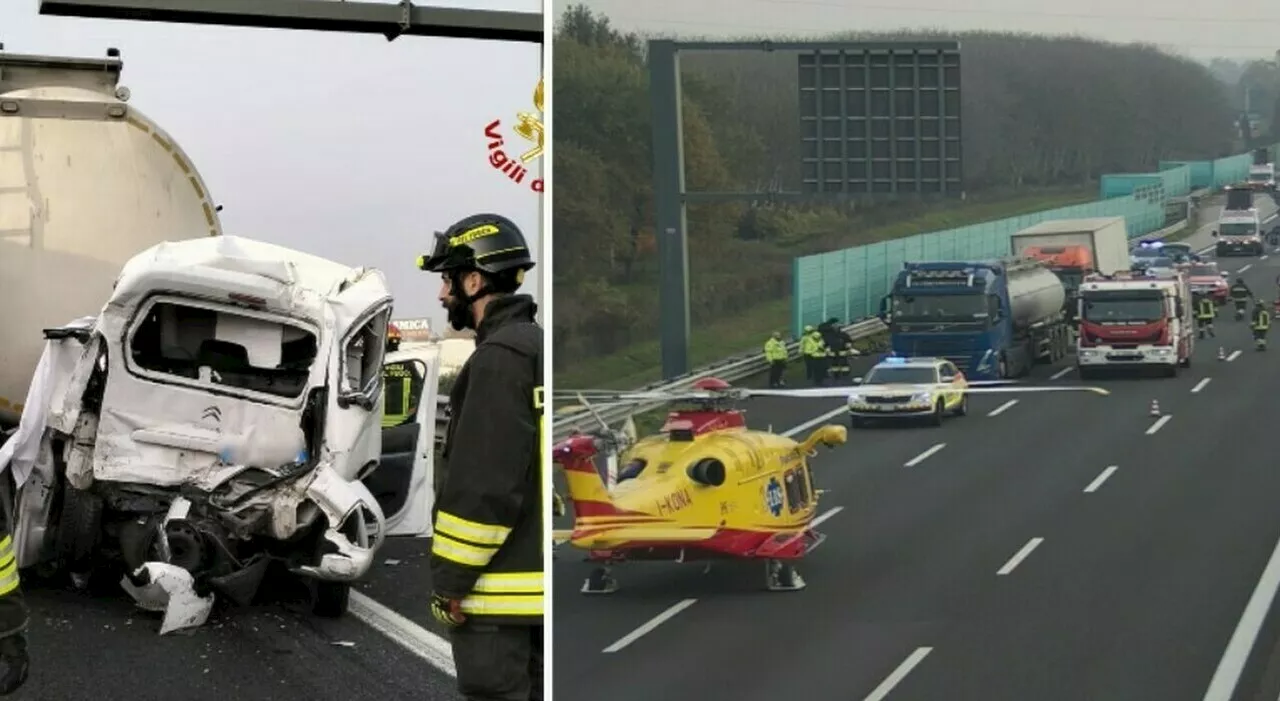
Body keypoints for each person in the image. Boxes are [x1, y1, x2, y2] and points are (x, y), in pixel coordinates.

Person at [417, 213, 543, 701]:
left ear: (474, 280)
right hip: (534, 599)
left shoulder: (497, 359)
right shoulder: (537, 348)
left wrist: (449, 583)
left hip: (494, 607)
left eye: (447, 279)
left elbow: (483, 489)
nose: (442, 295)